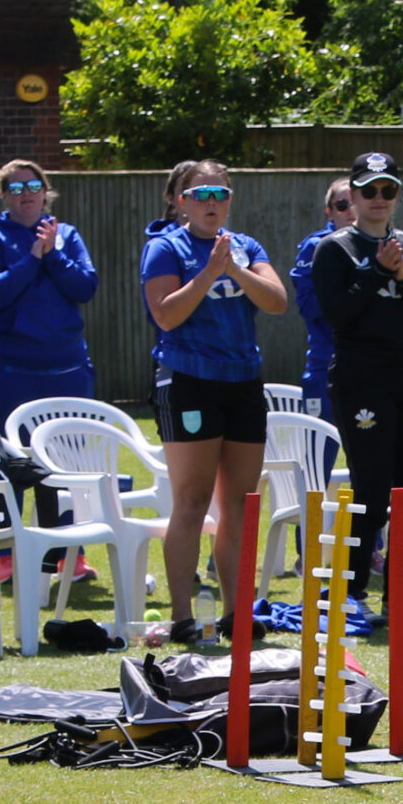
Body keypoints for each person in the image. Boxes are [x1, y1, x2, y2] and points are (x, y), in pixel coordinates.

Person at [140, 160, 287, 643]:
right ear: (180, 201)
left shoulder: (246, 247)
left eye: (220, 195)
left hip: (242, 381)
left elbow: (277, 301)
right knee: (193, 500)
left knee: (242, 504)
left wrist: (236, 268)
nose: (211, 203)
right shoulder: (165, 247)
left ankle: (235, 612)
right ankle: (183, 615)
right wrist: (209, 272)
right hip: (189, 380)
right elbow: (166, 315)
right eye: (200, 194)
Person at [311, 152, 403, 626]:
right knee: (372, 488)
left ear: (398, 197)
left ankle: (400, 594)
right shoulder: (334, 249)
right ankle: (351, 592)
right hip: (361, 380)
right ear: (352, 194)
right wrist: (375, 272)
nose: (377, 199)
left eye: (387, 190)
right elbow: (337, 314)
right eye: (369, 190)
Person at [0, 159, 101, 563]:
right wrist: (31, 258)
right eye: (15, 187)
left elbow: (85, 286)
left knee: (65, 466)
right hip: (9, 373)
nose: (25, 194)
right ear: (4, 195)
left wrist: (53, 256)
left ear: (45, 191)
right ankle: (6, 558)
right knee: (9, 464)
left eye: (33, 186)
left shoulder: (68, 235)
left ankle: (66, 557)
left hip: (66, 370)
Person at [289, 177, 355, 429]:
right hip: (326, 364)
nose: (350, 211)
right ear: (329, 212)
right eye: (342, 205)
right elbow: (309, 307)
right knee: (319, 457)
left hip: (369, 367)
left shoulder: (381, 243)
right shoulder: (315, 248)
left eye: (354, 203)